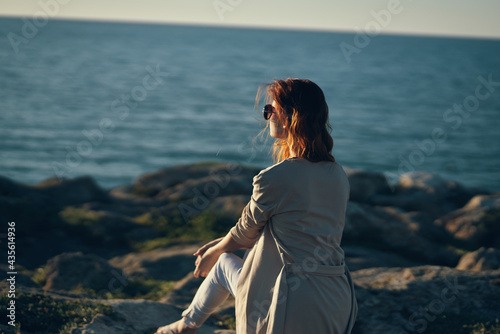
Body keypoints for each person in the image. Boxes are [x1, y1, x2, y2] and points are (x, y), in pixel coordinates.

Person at [156, 78, 357, 334]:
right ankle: (184, 326)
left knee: (223, 262)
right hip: (335, 295)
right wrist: (220, 244)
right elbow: (295, 232)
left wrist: (213, 251)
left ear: (289, 115)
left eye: (270, 110)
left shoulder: (275, 177)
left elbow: (244, 234)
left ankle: (184, 326)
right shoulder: (337, 174)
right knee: (226, 260)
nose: (267, 116)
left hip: (287, 298)